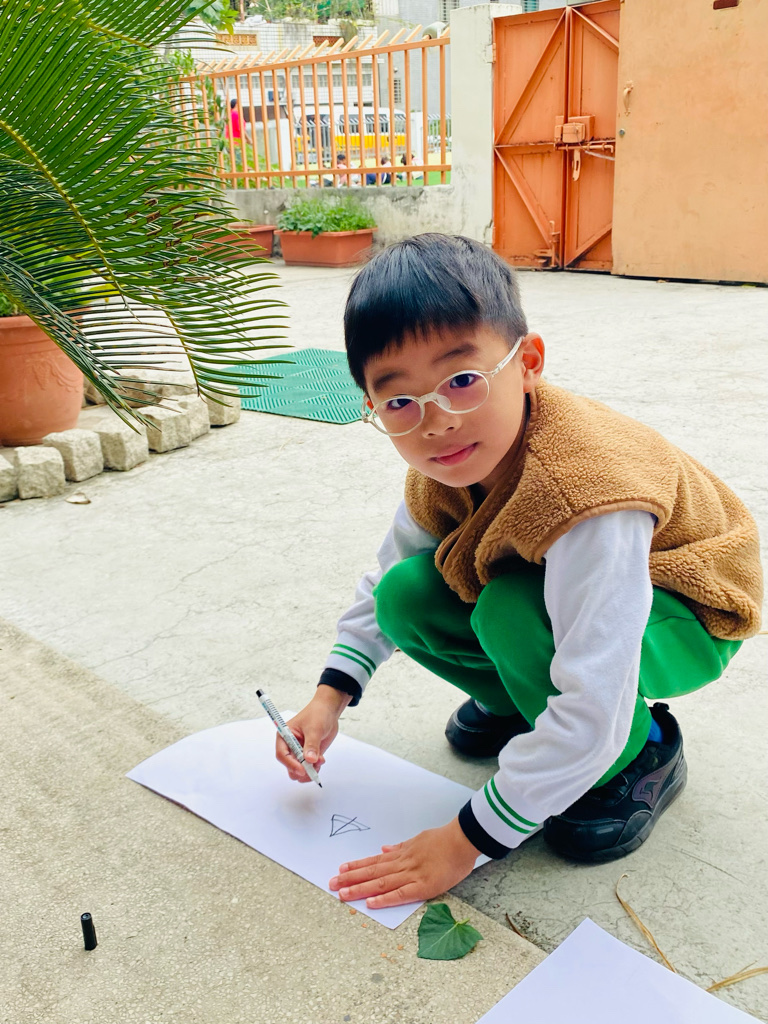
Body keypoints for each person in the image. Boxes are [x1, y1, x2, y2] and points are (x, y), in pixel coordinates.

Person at [274, 233, 762, 911]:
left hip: (689, 610)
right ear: (371, 405)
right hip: (571, 595)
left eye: (462, 381)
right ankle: (523, 706)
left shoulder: (586, 494)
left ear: (527, 362)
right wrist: (329, 697)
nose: (435, 423)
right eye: (399, 401)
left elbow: (594, 696)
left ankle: (643, 752)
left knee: (511, 611)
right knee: (405, 594)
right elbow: (387, 574)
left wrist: (463, 841)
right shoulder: (442, 472)